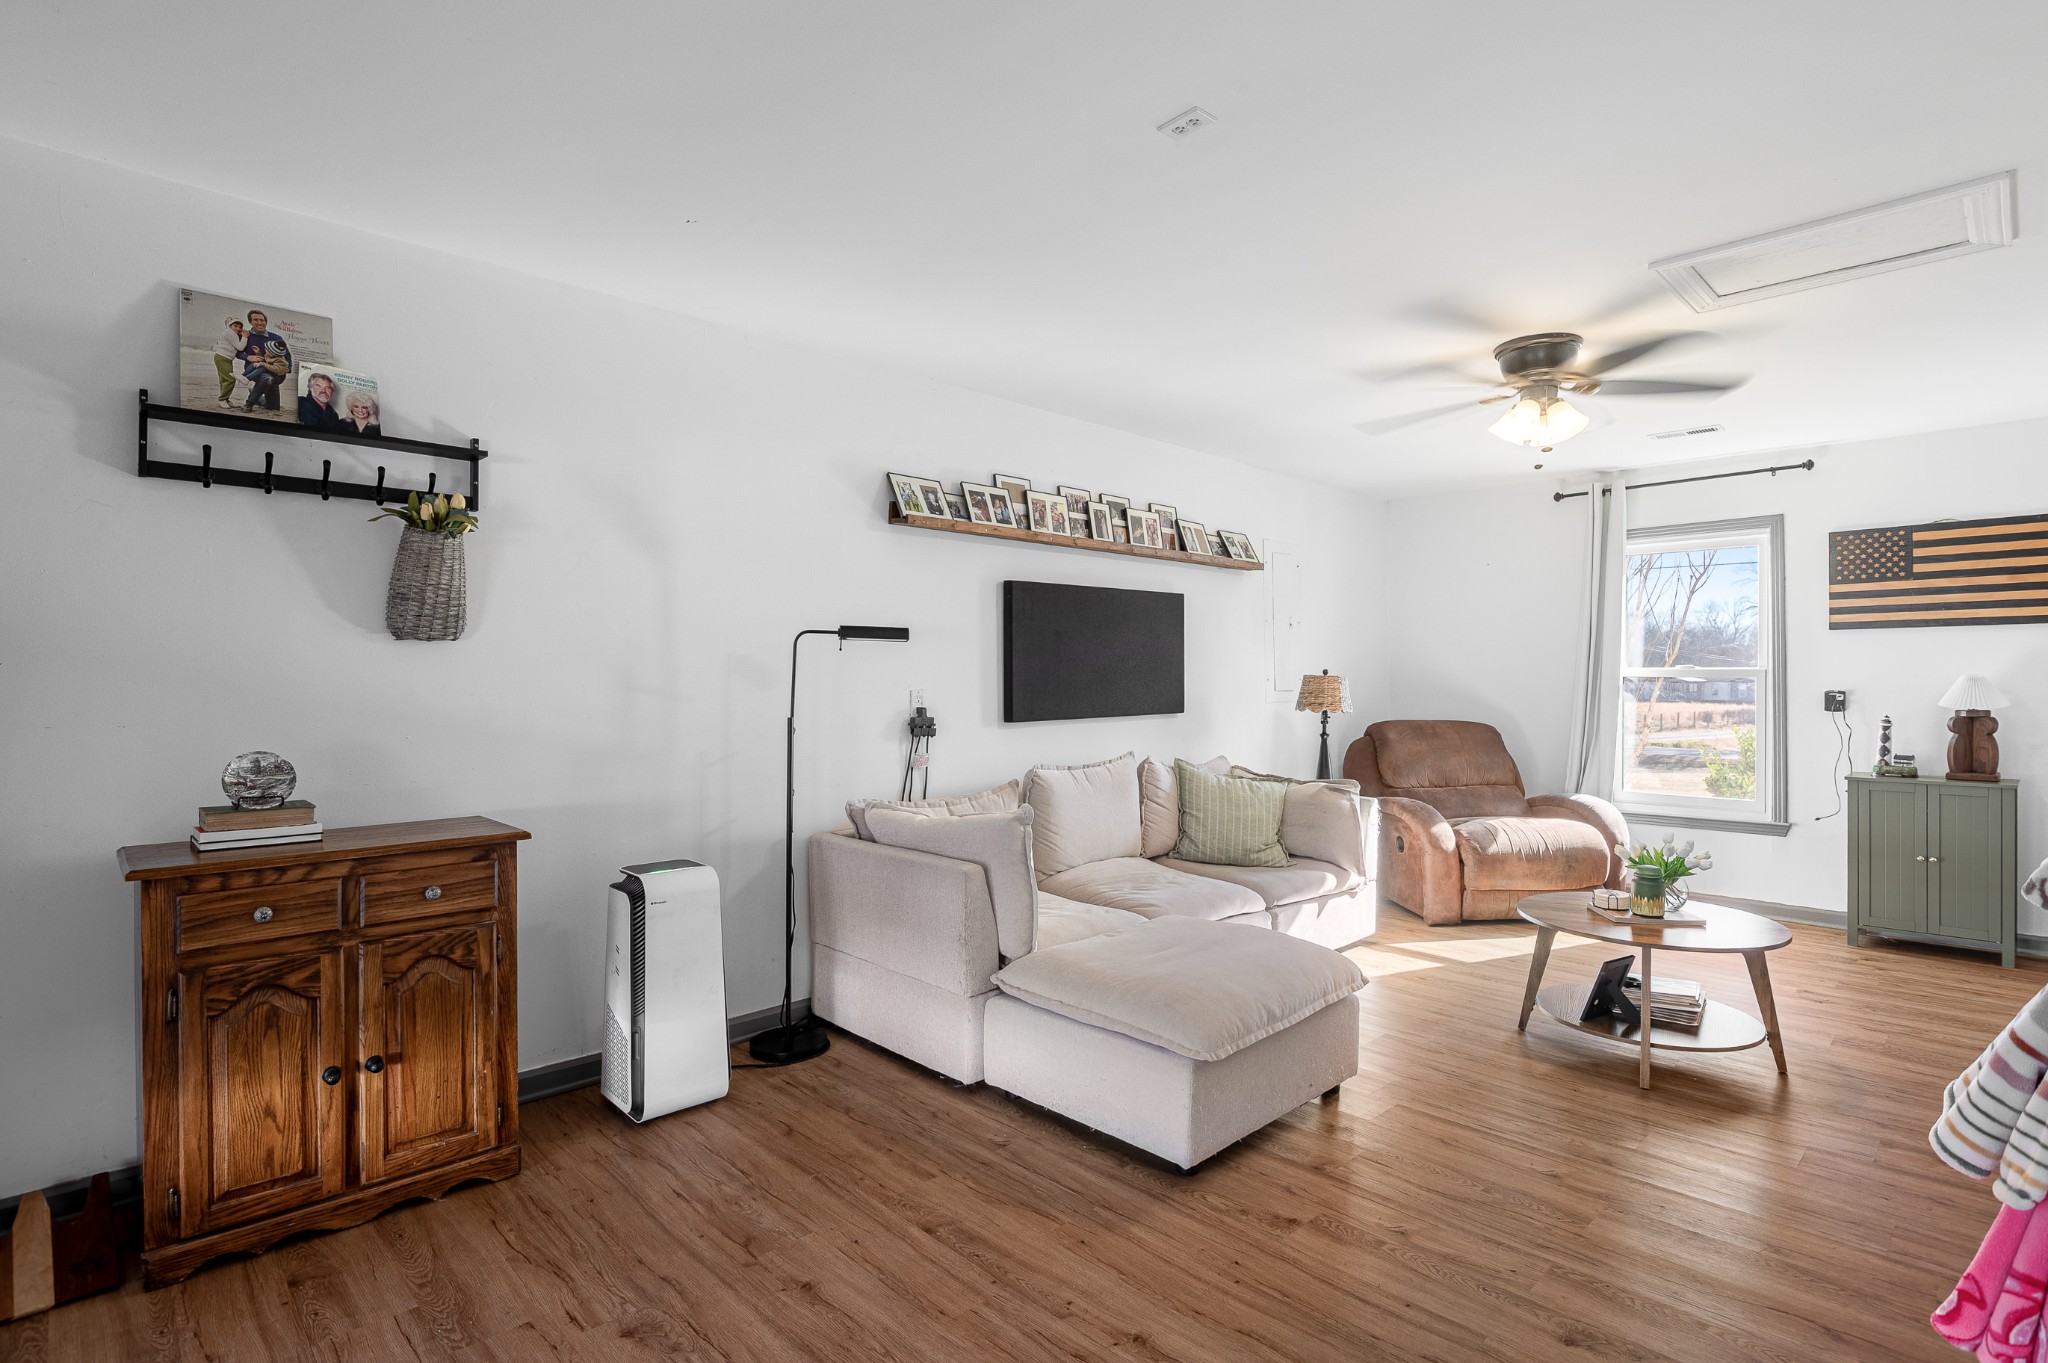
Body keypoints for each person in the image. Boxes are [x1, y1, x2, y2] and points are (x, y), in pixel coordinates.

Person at [239, 309, 292, 413]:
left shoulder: (276, 337)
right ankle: (249, 404)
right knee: (266, 378)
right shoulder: (246, 336)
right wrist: (248, 357)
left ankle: (257, 396)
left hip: (275, 372)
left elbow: (287, 356)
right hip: (255, 369)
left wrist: (288, 368)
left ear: (265, 321)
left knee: (273, 408)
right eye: (256, 320)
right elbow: (237, 352)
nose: (260, 322)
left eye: (262, 320)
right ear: (250, 322)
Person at [213, 318, 247, 408]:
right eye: (235, 326)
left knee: (224, 380)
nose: (238, 328)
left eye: (240, 327)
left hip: (224, 358)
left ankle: (226, 399)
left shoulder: (231, 333)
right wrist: (245, 337)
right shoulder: (229, 333)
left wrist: (240, 335)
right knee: (230, 379)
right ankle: (222, 399)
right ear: (229, 326)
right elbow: (240, 347)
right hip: (222, 357)